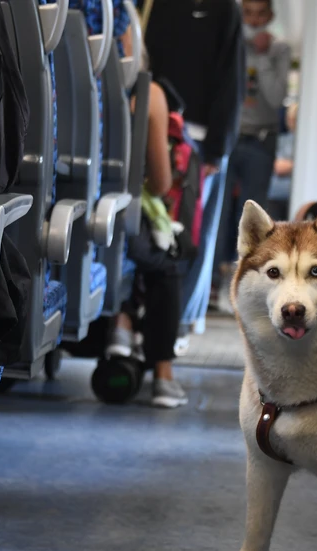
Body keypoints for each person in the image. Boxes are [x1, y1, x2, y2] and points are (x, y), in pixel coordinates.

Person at [141, 0, 245, 338]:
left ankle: (178, 323)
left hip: (200, 136)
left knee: (190, 236)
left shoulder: (224, 8)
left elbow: (231, 78)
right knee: (155, 227)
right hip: (154, 120)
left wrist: (218, 146)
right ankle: (147, 321)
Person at [106, 26, 188, 408]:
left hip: (54, 212)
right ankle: (164, 374)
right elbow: (159, 183)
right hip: (117, 216)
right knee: (164, 262)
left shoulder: (52, 69)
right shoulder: (147, 92)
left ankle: (121, 324)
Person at [213, 0, 291, 303]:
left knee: (255, 218)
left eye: (261, 14)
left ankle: (250, 286)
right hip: (230, 138)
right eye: (249, 14)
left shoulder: (279, 49)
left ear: (270, 17)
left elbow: (275, 97)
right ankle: (213, 283)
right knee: (218, 214)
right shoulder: (230, 42)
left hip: (261, 140)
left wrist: (263, 57)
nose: (255, 20)